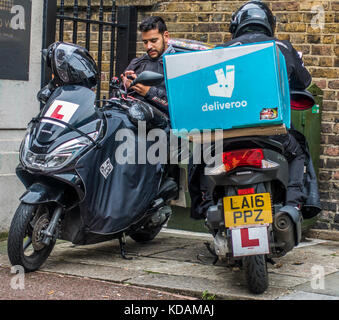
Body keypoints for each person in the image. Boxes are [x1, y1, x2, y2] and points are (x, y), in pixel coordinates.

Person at [189, 0, 321, 220]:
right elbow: (304, 81)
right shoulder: (282, 48)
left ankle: (206, 203)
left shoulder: (219, 52)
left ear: (237, 24)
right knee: (298, 153)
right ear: (269, 24)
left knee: (200, 154)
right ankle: (293, 205)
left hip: (226, 136)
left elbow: (202, 89)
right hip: (271, 134)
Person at [120, 16, 176, 115]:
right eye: (145, 42)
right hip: (134, 122)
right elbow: (117, 97)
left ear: (166, 36)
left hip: (165, 127)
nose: (149, 46)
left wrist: (148, 92)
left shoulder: (179, 64)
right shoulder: (136, 63)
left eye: (154, 41)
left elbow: (181, 105)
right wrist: (126, 86)